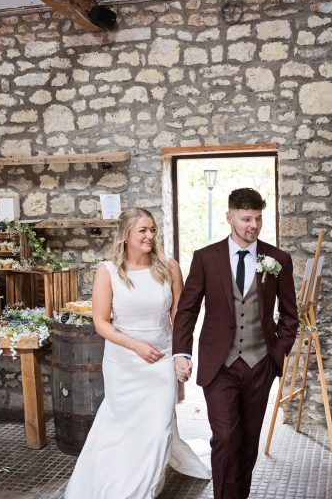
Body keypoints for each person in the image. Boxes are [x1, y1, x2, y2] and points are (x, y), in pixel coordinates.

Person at [65, 208, 211, 499]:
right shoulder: (108, 272)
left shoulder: (169, 267)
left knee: (158, 430)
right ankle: (114, 485)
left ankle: (141, 490)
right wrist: (135, 345)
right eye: (142, 230)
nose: (150, 235)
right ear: (126, 235)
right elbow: (100, 323)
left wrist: (182, 355)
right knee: (122, 430)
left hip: (161, 360)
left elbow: (180, 319)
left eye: (153, 229)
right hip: (124, 362)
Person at [172, 188, 299, 499]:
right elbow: (187, 309)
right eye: (245, 219)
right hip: (220, 365)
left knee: (247, 442)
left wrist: (276, 353)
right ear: (229, 218)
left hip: (260, 365)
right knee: (226, 437)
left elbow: (290, 314)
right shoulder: (205, 258)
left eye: (257, 219)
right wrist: (181, 352)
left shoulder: (277, 259)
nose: (252, 225)